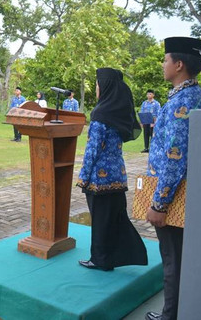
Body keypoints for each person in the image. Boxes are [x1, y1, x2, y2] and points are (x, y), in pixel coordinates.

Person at [145, 37, 201, 320]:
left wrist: (159, 204)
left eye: (166, 59)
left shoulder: (182, 101)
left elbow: (175, 158)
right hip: (183, 190)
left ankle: (171, 315)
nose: (163, 64)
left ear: (179, 65)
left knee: (172, 258)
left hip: (172, 193)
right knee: (179, 257)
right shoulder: (193, 95)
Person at [76, 67, 146, 271]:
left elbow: (93, 149)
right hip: (118, 175)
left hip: (99, 179)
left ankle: (100, 259)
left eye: (98, 84)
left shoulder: (100, 113)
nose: (96, 88)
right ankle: (113, 257)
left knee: (100, 220)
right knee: (114, 217)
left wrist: (83, 177)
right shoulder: (119, 111)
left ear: (105, 86)